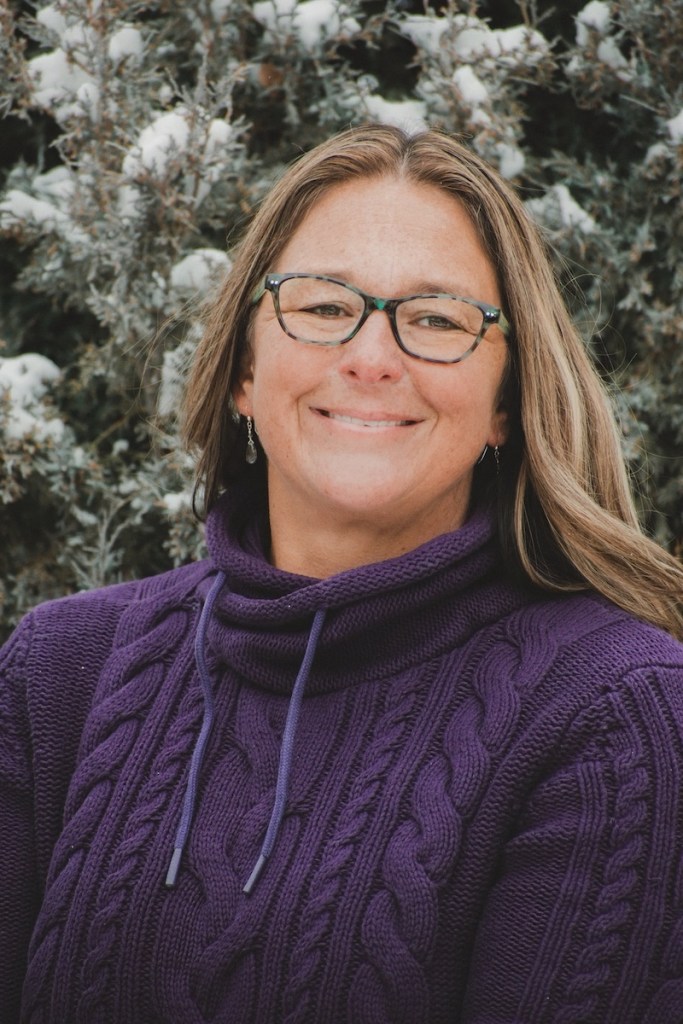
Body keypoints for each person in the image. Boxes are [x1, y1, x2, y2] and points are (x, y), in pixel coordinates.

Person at [2, 124, 683, 1024]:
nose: (370, 355)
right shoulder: (58, 672)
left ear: (506, 406)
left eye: (436, 318)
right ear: (244, 370)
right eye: (323, 307)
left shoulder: (614, 712)